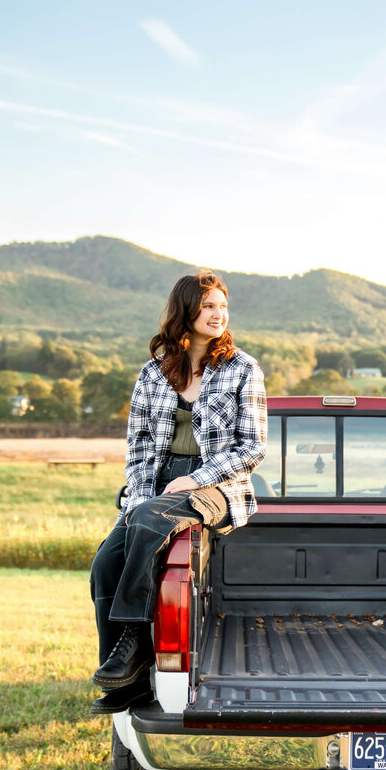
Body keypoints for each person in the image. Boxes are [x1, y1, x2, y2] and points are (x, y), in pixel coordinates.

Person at [89, 271, 267, 714]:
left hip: (217, 486)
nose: (218, 314)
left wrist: (197, 478)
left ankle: (133, 645)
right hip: (156, 488)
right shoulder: (153, 374)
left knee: (152, 519)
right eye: (208, 306)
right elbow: (140, 449)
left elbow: (253, 447)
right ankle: (129, 684)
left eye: (222, 306)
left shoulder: (242, 368)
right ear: (186, 311)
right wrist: (131, 507)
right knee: (104, 564)